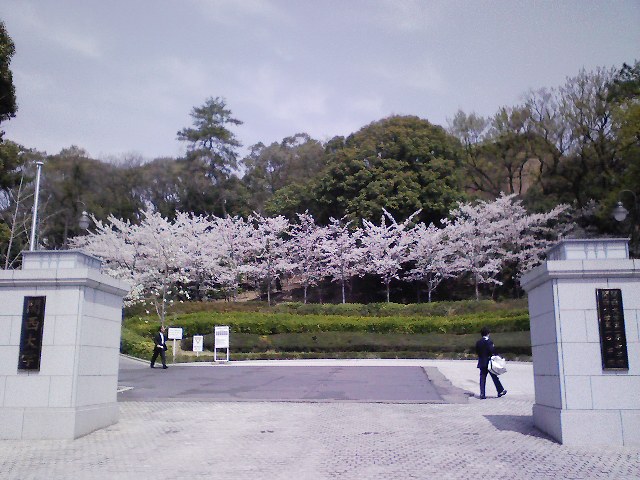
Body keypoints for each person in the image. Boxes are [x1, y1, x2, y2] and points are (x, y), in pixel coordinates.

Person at [475, 326, 506, 399]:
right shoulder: (489, 342)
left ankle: (482, 394)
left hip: (481, 362)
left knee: (482, 378)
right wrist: (498, 356)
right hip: (489, 362)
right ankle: (500, 391)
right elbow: (492, 351)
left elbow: (477, 351)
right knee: (494, 377)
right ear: (488, 333)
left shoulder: (478, 342)